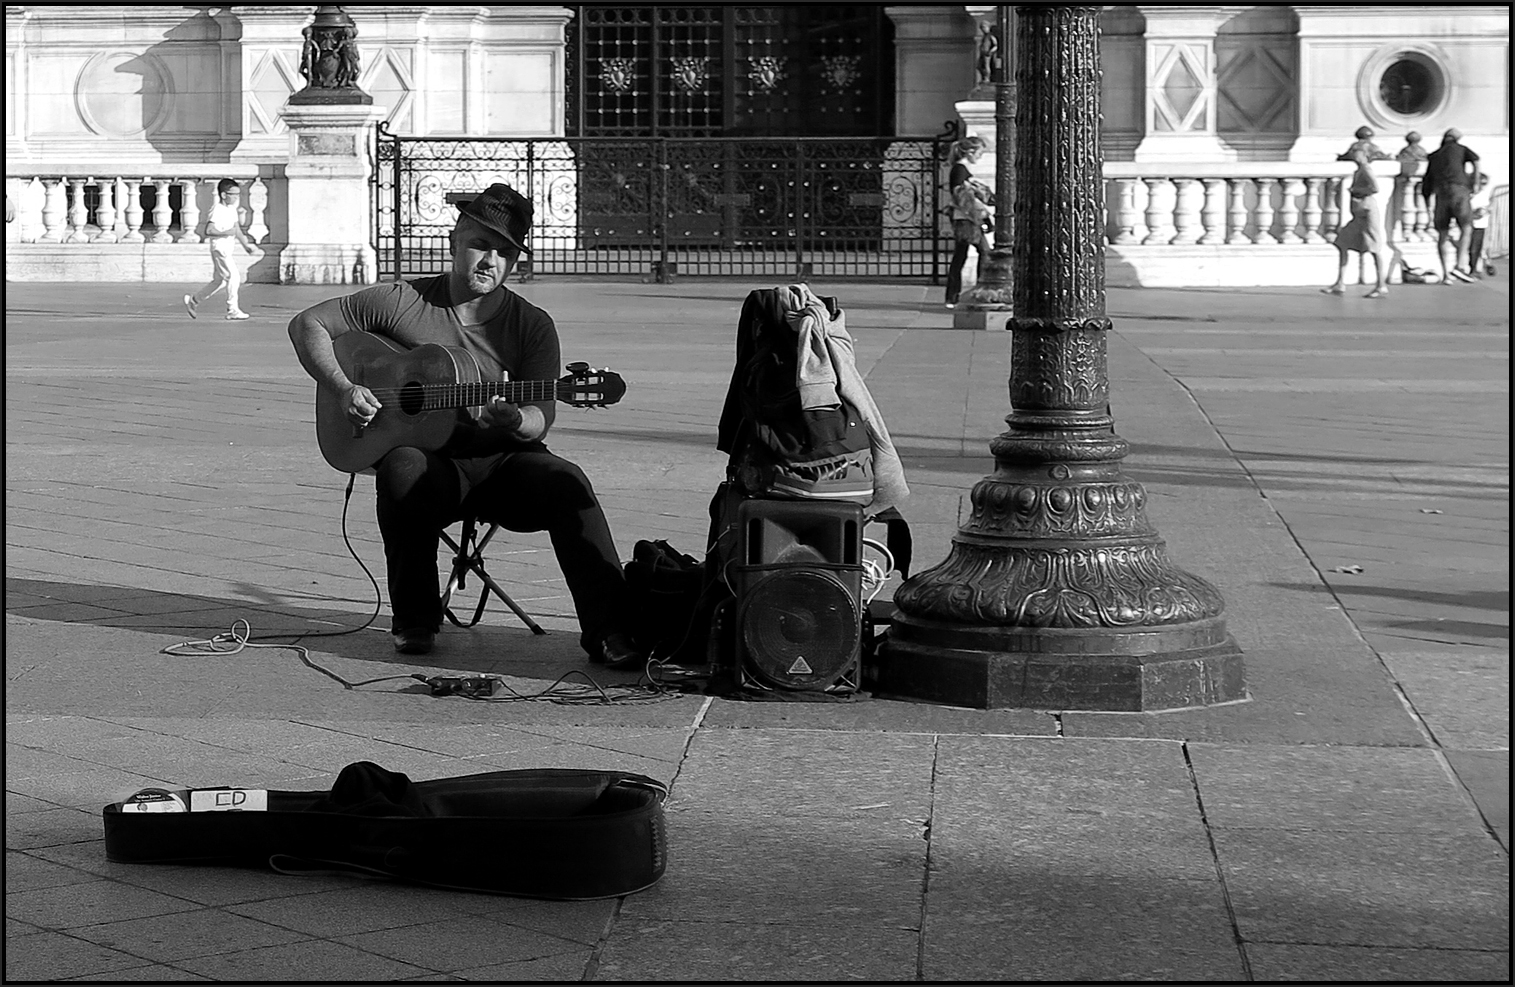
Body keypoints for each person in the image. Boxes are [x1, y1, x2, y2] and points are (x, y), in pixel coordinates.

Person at [286, 183, 644, 666]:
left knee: (567, 483)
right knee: (403, 466)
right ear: (455, 241)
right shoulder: (401, 301)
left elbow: (541, 418)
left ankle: (611, 630)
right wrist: (344, 388)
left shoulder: (532, 325)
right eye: (480, 244)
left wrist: (516, 419)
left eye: (504, 253)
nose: (489, 261)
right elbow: (307, 324)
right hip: (433, 467)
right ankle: (415, 620)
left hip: (502, 463)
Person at [185, 178, 256, 321]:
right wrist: (226, 233)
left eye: (238, 194)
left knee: (219, 280)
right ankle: (232, 309)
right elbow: (209, 230)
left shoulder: (232, 209)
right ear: (224, 195)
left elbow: (237, 230)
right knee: (233, 277)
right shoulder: (217, 210)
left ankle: (194, 300)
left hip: (226, 249)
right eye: (233, 194)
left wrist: (246, 245)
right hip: (220, 248)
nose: (236, 197)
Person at [1323, 148, 1389, 298]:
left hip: (1367, 213)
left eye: (1358, 154)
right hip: (1358, 215)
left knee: (1374, 248)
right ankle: (1340, 282)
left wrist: (1354, 189)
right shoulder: (1359, 170)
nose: (1355, 156)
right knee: (1342, 242)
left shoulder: (1366, 169)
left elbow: (1375, 188)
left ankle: (1381, 284)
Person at [1423, 127, 1482, 284]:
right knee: (1467, 227)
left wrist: (1426, 202)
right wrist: (1475, 183)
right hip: (1459, 191)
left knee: (1442, 233)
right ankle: (1459, 265)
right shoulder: (1461, 150)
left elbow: (1427, 182)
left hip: (1441, 194)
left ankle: (1445, 274)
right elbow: (1476, 160)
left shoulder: (1435, 155)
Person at [945, 136, 993, 309]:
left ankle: (953, 296)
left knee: (962, 255)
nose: (980, 156)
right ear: (970, 152)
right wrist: (982, 216)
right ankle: (975, 291)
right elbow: (963, 199)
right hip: (966, 219)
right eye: (980, 152)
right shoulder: (960, 170)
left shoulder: (962, 170)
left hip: (966, 218)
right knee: (982, 252)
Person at [1469, 173, 1494, 278]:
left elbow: (1490, 206)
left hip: (1482, 224)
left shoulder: (1485, 194)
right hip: (1471, 223)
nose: (1483, 186)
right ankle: (1472, 269)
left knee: (1479, 248)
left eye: (1485, 184)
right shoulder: (1469, 195)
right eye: (1481, 183)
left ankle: (1477, 268)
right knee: (1472, 248)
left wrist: (1486, 210)